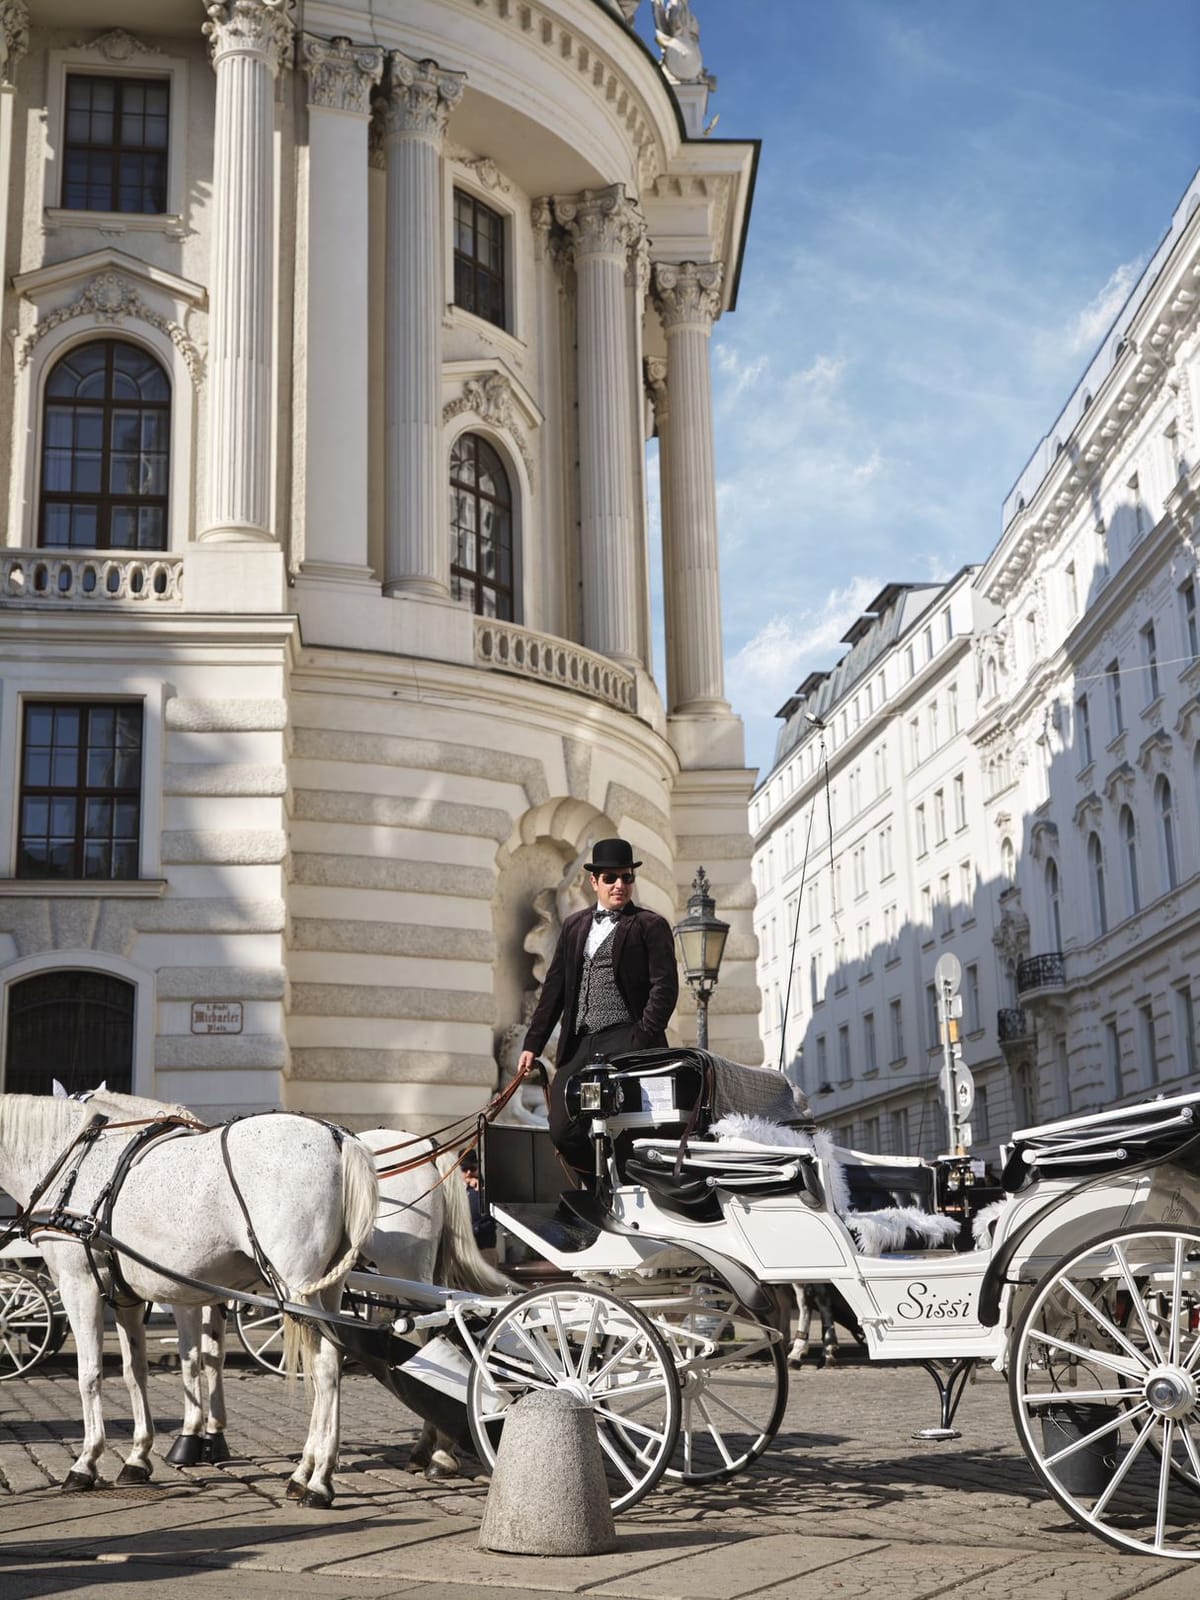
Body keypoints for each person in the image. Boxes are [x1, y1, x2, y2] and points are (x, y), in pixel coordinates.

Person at [518, 837, 679, 1169]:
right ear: (594, 882)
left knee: (628, 1123)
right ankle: (596, 1186)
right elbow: (554, 989)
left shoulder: (650, 925)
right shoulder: (574, 926)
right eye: (611, 878)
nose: (620, 884)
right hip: (580, 1042)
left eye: (627, 877)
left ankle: (624, 1184)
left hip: (627, 1038)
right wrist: (533, 1044)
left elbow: (664, 988)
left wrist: (641, 1035)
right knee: (562, 1129)